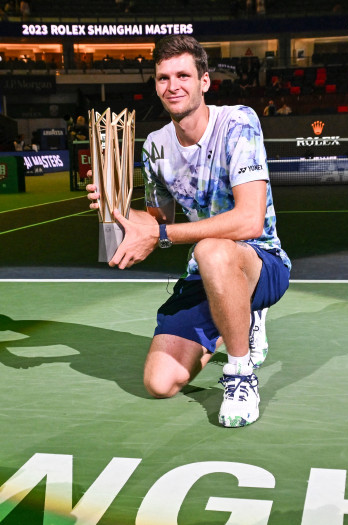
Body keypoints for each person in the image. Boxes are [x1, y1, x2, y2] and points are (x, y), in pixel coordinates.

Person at [86, 35, 290, 428]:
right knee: (159, 383)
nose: (172, 85)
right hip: (207, 271)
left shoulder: (238, 122)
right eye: (163, 78)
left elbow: (249, 219)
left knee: (210, 250)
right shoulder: (156, 147)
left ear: (205, 82)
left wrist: (163, 237)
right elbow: (155, 223)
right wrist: (117, 207)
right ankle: (237, 315)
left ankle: (240, 372)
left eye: (183, 75)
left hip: (262, 260)